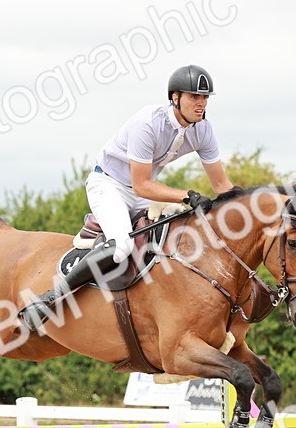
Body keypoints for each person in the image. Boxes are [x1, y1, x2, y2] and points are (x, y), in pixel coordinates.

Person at [19, 64, 236, 330]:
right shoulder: (148, 123)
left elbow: (222, 185)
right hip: (109, 185)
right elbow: (142, 185)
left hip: (141, 190)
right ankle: (51, 297)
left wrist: (253, 206)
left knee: (180, 235)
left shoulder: (203, 129)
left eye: (204, 98)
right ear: (175, 98)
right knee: (121, 247)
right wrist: (187, 195)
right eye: (194, 97)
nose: (201, 103)